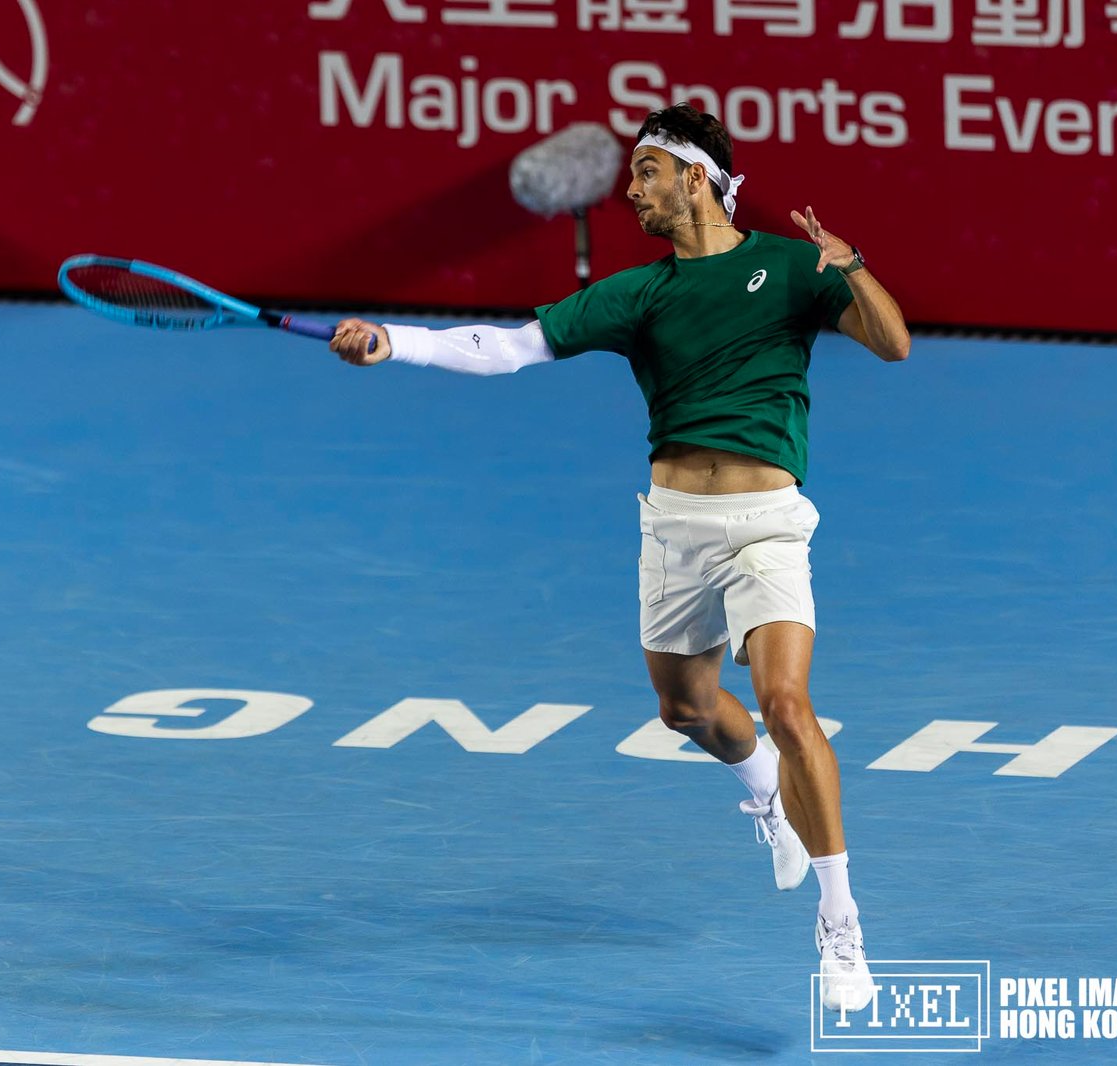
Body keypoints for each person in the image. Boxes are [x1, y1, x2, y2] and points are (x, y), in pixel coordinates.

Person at [327, 102, 910, 1012]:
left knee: (788, 704)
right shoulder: (638, 294)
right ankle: (766, 791)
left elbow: (893, 343)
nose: (630, 189)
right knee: (685, 709)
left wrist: (854, 266)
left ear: (696, 177)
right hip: (674, 525)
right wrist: (394, 342)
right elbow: (507, 349)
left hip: (767, 523)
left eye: (646, 171)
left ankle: (842, 929)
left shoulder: (792, 267)